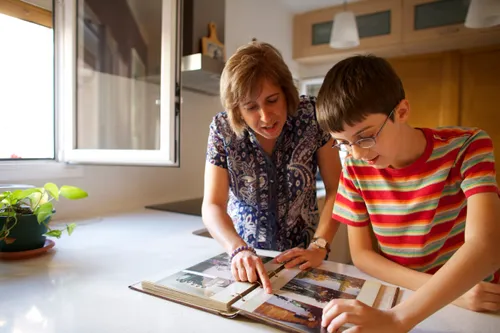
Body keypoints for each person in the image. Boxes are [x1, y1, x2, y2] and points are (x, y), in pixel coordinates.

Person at [315, 54, 500, 332]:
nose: (357, 153)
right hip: (413, 298)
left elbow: (487, 247)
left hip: (479, 300)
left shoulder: (467, 145)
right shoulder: (354, 167)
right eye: (343, 143)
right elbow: (362, 255)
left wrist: (398, 319)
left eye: (365, 136)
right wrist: (452, 295)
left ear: (401, 112)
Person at [201, 41, 342, 294]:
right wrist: (237, 249)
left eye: (272, 100)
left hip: (304, 255)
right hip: (246, 258)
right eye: (251, 107)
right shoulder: (222, 130)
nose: (265, 117)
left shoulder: (312, 116)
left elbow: (336, 188)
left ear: (286, 93)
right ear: (237, 110)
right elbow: (212, 205)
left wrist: (319, 246)